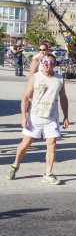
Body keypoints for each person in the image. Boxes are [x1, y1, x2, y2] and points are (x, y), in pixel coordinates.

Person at [6, 53, 69, 184]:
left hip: (51, 117)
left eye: (51, 62)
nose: (47, 64)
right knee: (26, 143)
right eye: (45, 62)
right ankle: (15, 164)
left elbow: (63, 98)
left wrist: (66, 116)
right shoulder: (36, 77)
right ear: (42, 63)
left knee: (52, 144)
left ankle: (48, 173)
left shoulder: (59, 79)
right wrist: (24, 116)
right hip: (35, 116)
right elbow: (25, 97)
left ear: (55, 64)